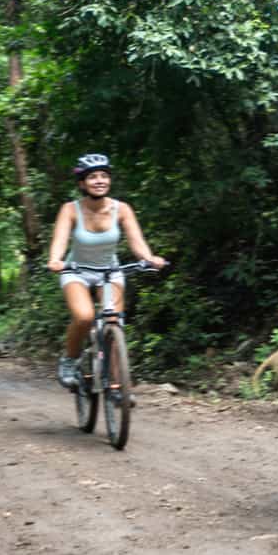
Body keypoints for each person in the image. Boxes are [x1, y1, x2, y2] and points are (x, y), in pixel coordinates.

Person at [45, 153, 167, 389]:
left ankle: (117, 385)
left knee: (113, 321)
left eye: (104, 176)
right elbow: (59, 240)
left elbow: (137, 242)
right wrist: (55, 260)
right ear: (82, 183)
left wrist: (150, 258)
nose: (99, 180)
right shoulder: (70, 210)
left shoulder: (121, 209)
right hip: (76, 270)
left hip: (110, 271)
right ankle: (69, 361)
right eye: (92, 177)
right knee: (84, 316)